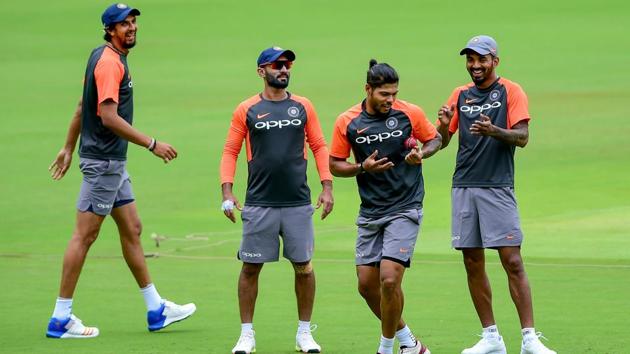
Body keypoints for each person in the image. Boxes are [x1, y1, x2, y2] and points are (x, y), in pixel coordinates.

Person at [46, 3, 196, 339]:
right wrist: (152, 143)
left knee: (133, 228)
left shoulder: (103, 56)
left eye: (133, 22)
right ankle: (60, 318)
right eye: (123, 24)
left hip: (111, 163)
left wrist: (68, 147)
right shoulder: (110, 64)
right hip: (104, 164)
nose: (131, 28)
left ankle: (156, 309)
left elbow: (80, 106)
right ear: (110, 30)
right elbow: (107, 117)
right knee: (84, 236)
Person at [436, 35, 556, 354]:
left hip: (497, 186)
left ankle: (529, 338)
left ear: (495, 61)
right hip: (463, 185)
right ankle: (491, 338)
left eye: (481, 59)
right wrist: (433, 138)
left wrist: (494, 131)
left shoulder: (510, 91)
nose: (475, 65)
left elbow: (523, 137)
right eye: (470, 59)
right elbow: (441, 140)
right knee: (472, 261)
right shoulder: (459, 94)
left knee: (512, 260)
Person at [220, 46, 334, 354]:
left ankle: (304, 333)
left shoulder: (303, 106)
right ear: (262, 71)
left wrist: (327, 187)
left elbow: (320, 146)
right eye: (277, 65)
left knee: (304, 268)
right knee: (251, 268)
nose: (284, 69)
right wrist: (227, 190)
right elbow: (231, 150)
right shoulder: (247, 109)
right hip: (259, 203)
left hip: (298, 202)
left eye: (287, 65)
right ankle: (246, 335)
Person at [329, 59, 441, 354]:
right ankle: (410, 343)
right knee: (367, 285)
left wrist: (422, 153)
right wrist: (361, 167)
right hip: (371, 211)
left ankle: (385, 347)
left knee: (389, 279)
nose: (390, 100)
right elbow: (335, 164)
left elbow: (435, 139)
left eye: (394, 94)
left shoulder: (409, 112)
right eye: (384, 94)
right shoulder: (348, 121)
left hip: (406, 205)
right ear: (368, 89)